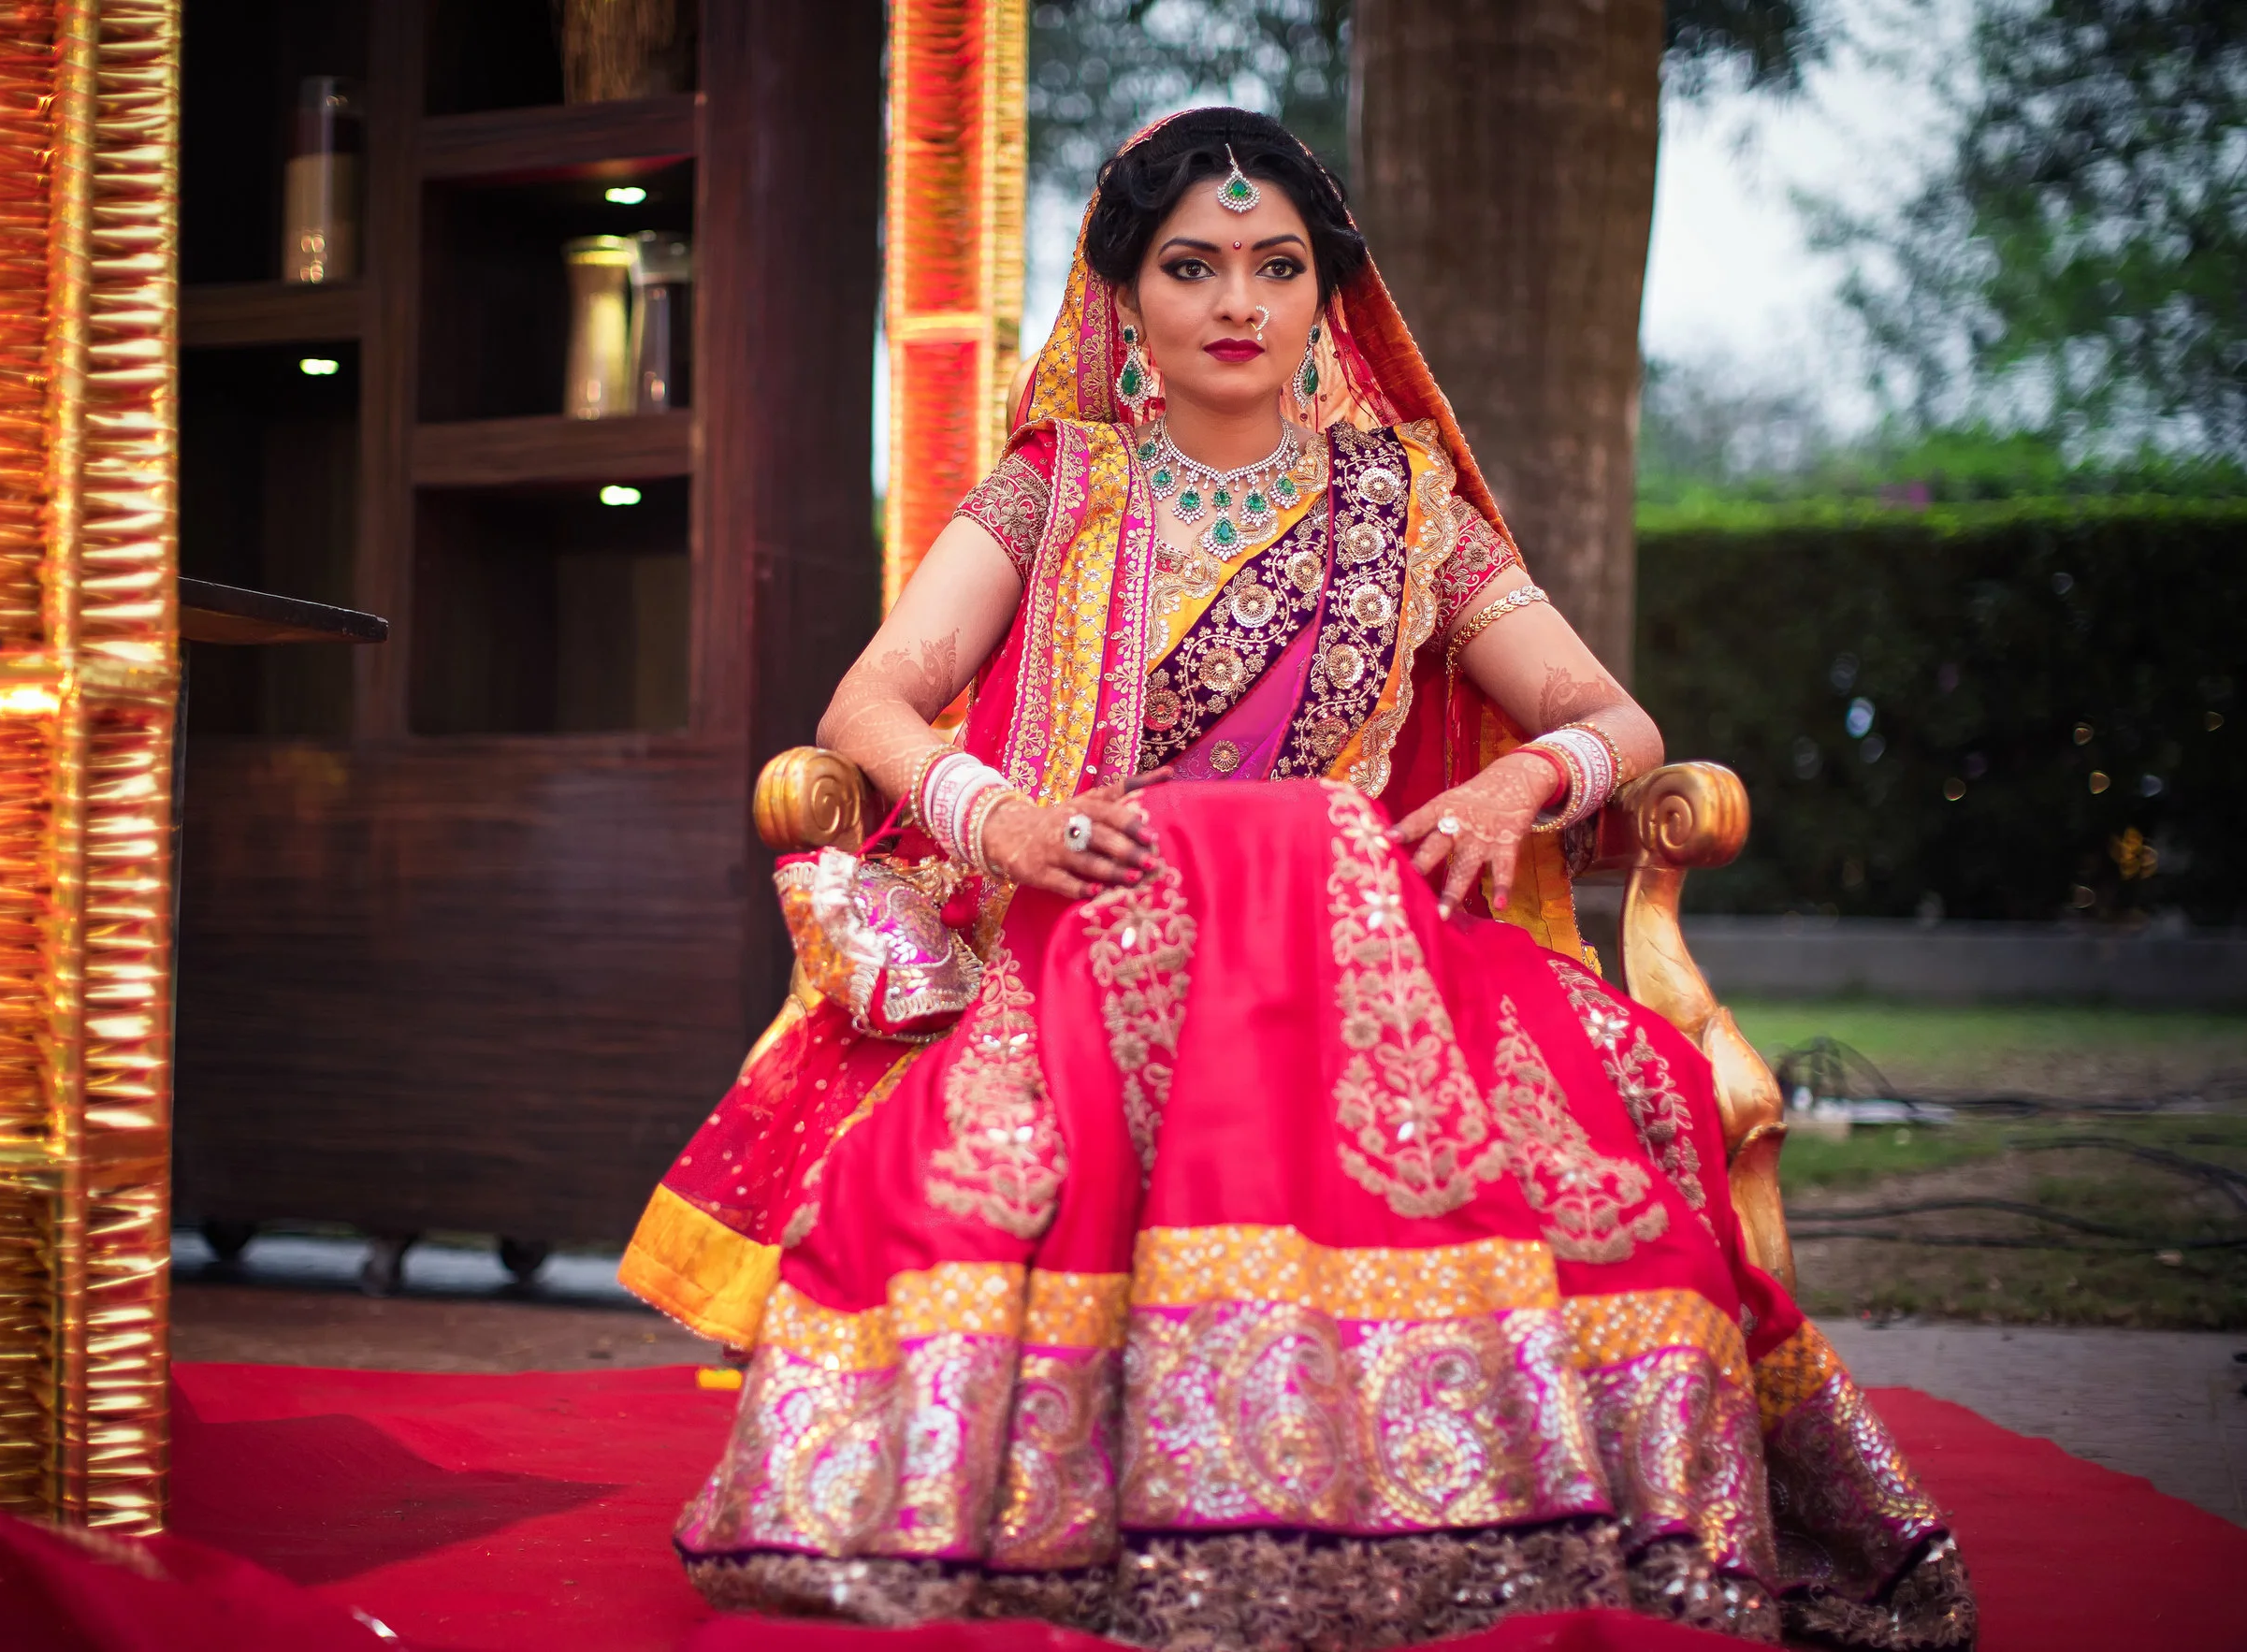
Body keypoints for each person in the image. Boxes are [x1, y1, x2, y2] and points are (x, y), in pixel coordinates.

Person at [620, 109, 1976, 1651]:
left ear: (1330, 299)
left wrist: (1517, 779)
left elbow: (1618, 722)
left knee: (1612, 1135)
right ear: (1124, 295)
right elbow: (869, 703)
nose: (1237, 303)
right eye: (1191, 266)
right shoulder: (1053, 486)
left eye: (1277, 266)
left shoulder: (1412, 512)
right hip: (1094, 919)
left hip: (1355, 947)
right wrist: (1003, 823)